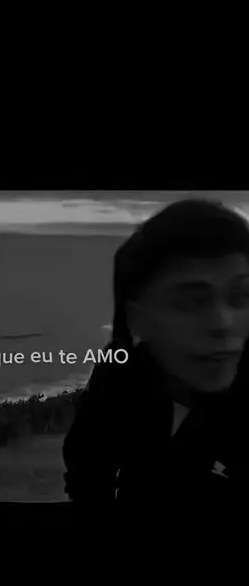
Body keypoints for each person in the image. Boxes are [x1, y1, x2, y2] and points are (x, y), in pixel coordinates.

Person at [62, 198, 249, 507]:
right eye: (192, 302)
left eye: (241, 296)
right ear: (138, 318)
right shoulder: (120, 373)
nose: (223, 323)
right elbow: (87, 468)